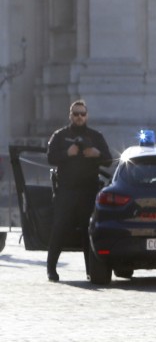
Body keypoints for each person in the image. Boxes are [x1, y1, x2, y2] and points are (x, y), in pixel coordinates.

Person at [45, 100, 112, 282]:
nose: (79, 117)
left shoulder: (96, 136)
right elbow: (50, 157)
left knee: (87, 231)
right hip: (66, 191)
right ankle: (51, 269)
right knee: (59, 228)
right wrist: (68, 153)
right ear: (70, 115)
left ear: (87, 116)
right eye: (76, 114)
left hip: (88, 191)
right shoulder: (60, 136)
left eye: (82, 114)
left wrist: (96, 154)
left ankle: (91, 270)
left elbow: (109, 159)